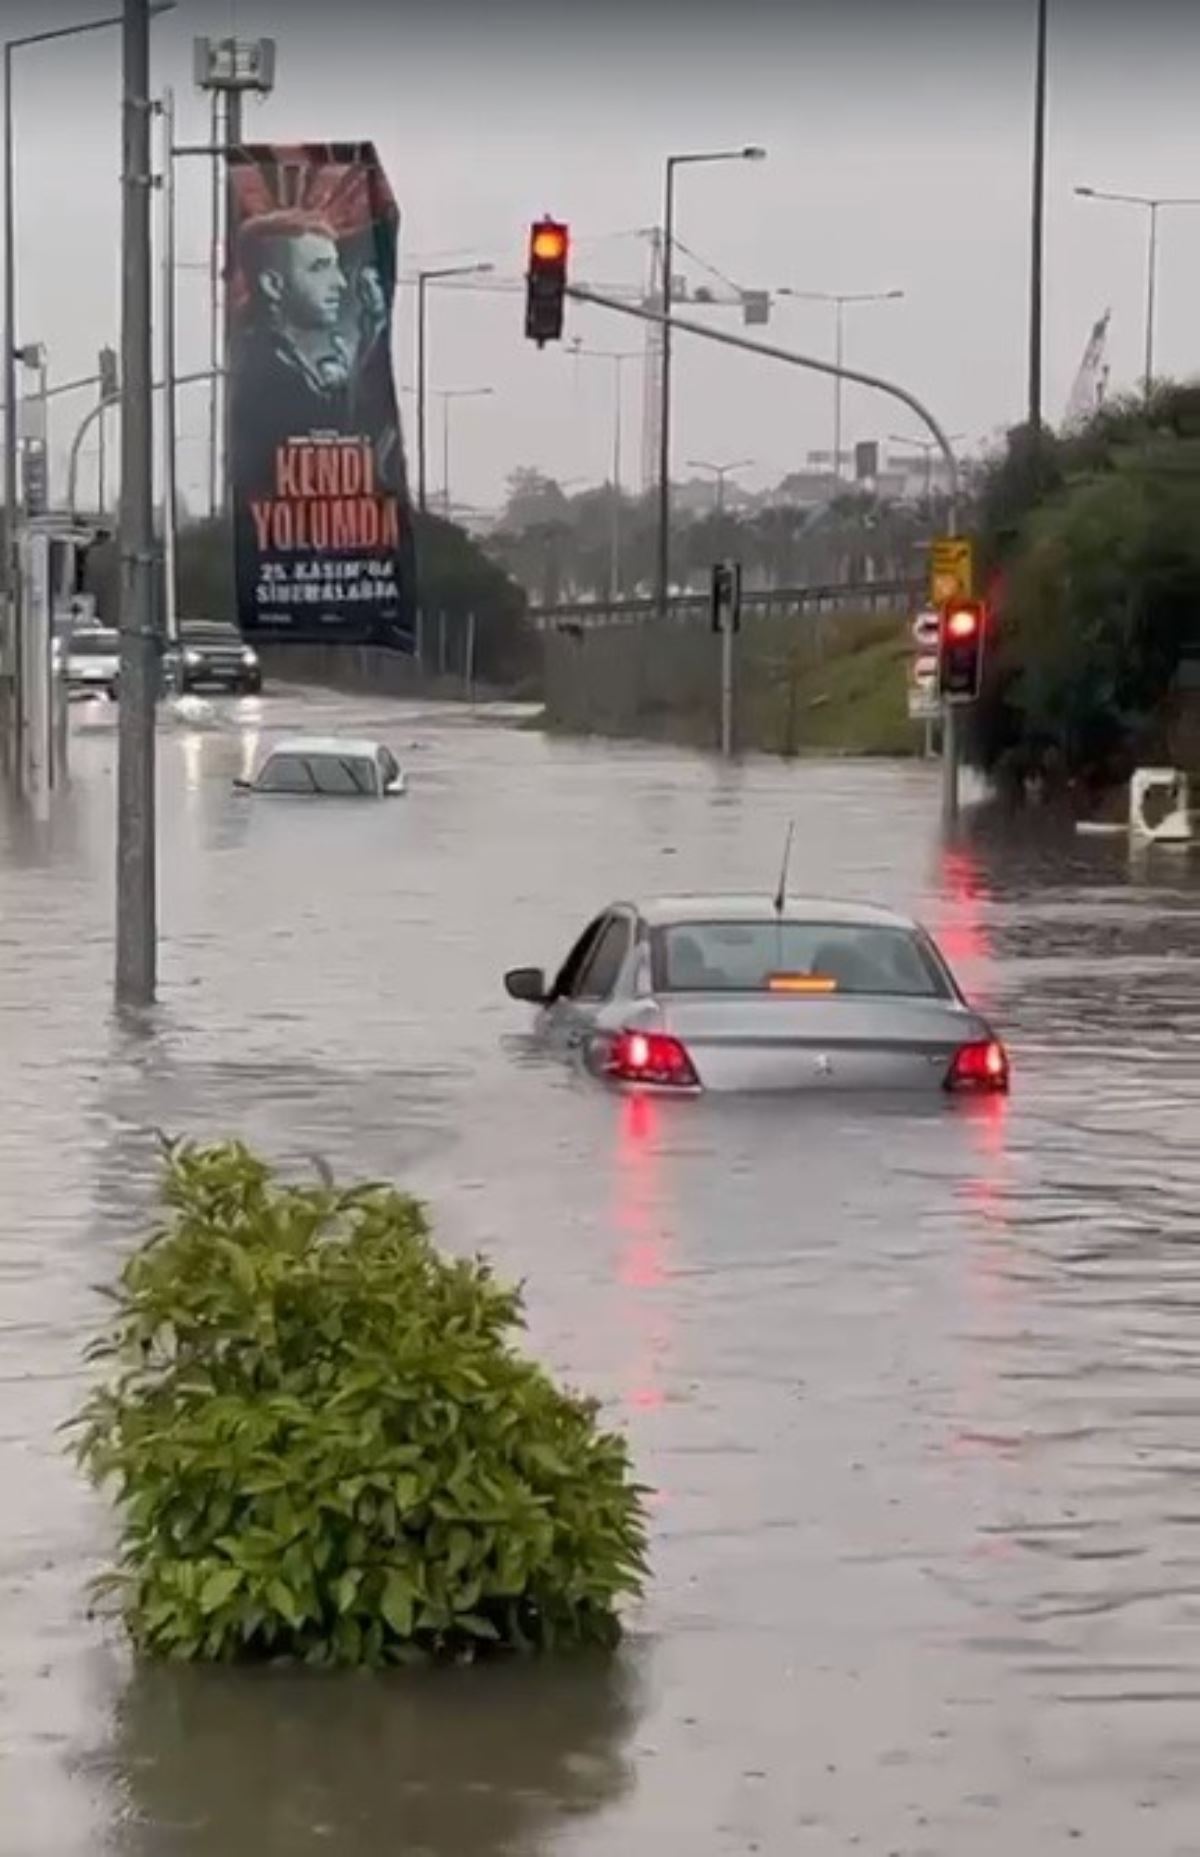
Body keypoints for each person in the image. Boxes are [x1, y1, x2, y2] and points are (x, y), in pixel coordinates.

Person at [231, 209, 353, 487]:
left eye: (336, 266)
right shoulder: (263, 371)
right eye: (320, 268)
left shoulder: (285, 359)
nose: (340, 283)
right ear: (273, 285)